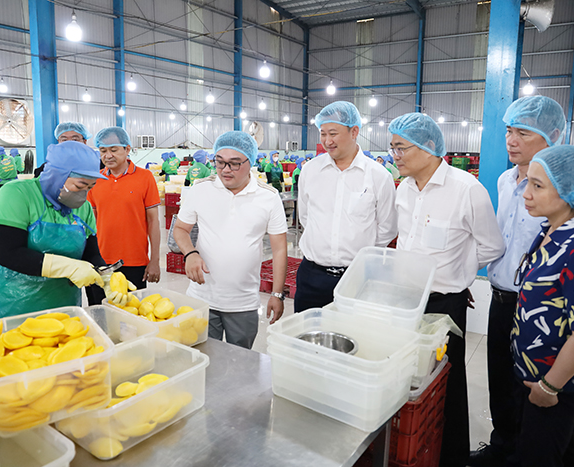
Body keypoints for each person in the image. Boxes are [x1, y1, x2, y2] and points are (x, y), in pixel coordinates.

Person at [389, 112, 504, 467]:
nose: (395, 155)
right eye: (393, 148)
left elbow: (492, 246)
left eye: (401, 147)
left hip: (443, 304)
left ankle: (452, 457)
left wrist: (460, 272)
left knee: (446, 384)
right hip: (407, 299)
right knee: (408, 379)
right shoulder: (404, 189)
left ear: (428, 148)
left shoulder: (466, 189)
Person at [470, 95, 567, 467]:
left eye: (523, 133)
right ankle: (501, 447)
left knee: (531, 386)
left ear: (551, 136)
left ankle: (525, 456)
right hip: (501, 297)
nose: (511, 141)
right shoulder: (504, 180)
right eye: (509, 131)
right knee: (500, 378)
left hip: (539, 306)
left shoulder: (560, 187)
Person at [512, 145, 574, 467]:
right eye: (528, 181)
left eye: (537, 185)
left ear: (570, 191)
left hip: (560, 387)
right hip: (540, 377)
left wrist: (549, 387)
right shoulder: (550, 232)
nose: (526, 193)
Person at [174, 131, 288, 349]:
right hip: (201, 298)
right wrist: (190, 253)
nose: (225, 170)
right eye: (220, 162)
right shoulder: (200, 189)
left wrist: (277, 294)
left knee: (241, 361)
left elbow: (280, 249)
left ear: (250, 162)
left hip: (243, 302)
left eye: (234, 163)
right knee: (203, 357)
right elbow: (180, 229)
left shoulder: (268, 196)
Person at [0, 141, 109, 323]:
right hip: (11, 306)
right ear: (58, 175)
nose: (83, 194)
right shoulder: (17, 194)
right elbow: (8, 253)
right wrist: (69, 267)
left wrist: (107, 276)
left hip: (63, 308)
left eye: (90, 187)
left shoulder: (83, 208)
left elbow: (91, 253)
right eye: (80, 186)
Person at [294, 101, 397, 312]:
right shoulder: (310, 171)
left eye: (333, 133)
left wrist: (359, 258)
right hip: (312, 277)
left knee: (353, 332)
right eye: (323, 134)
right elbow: (305, 217)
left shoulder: (378, 176)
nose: (327, 141)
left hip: (358, 279)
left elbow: (387, 228)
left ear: (354, 132)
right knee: (307, 331)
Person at [85, 127, 161, 305]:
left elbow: (153, 222)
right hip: (100, 261)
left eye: (113, 150)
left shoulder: (145, 177)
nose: (108, 156)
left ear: (127, 149)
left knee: (132, 312)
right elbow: (90, 224)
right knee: (100, 311)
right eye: (103, 151)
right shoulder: (95, 180)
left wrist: (155, 260)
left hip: (134, 261)